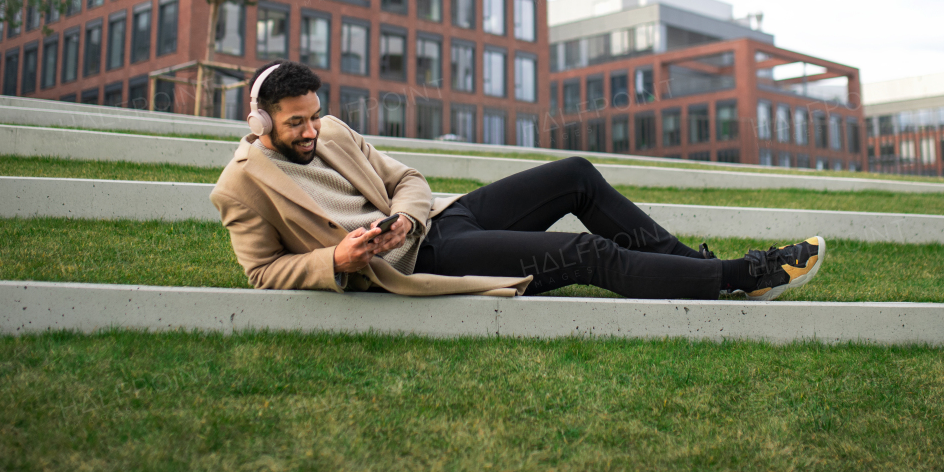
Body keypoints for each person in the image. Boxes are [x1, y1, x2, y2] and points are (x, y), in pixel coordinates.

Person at [211, 61, 825, 300]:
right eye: (298, 122)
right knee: (583, 253)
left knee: (577, 175)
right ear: (263, 121)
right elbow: (261, 272)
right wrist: (337, 258)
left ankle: (692, 266)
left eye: (315, 114)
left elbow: (410, 179)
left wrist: (410, 215)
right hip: (412, 265)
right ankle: (736, 278)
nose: (312, 129)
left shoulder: (336, 131)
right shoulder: (240, 187)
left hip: (440, 225)